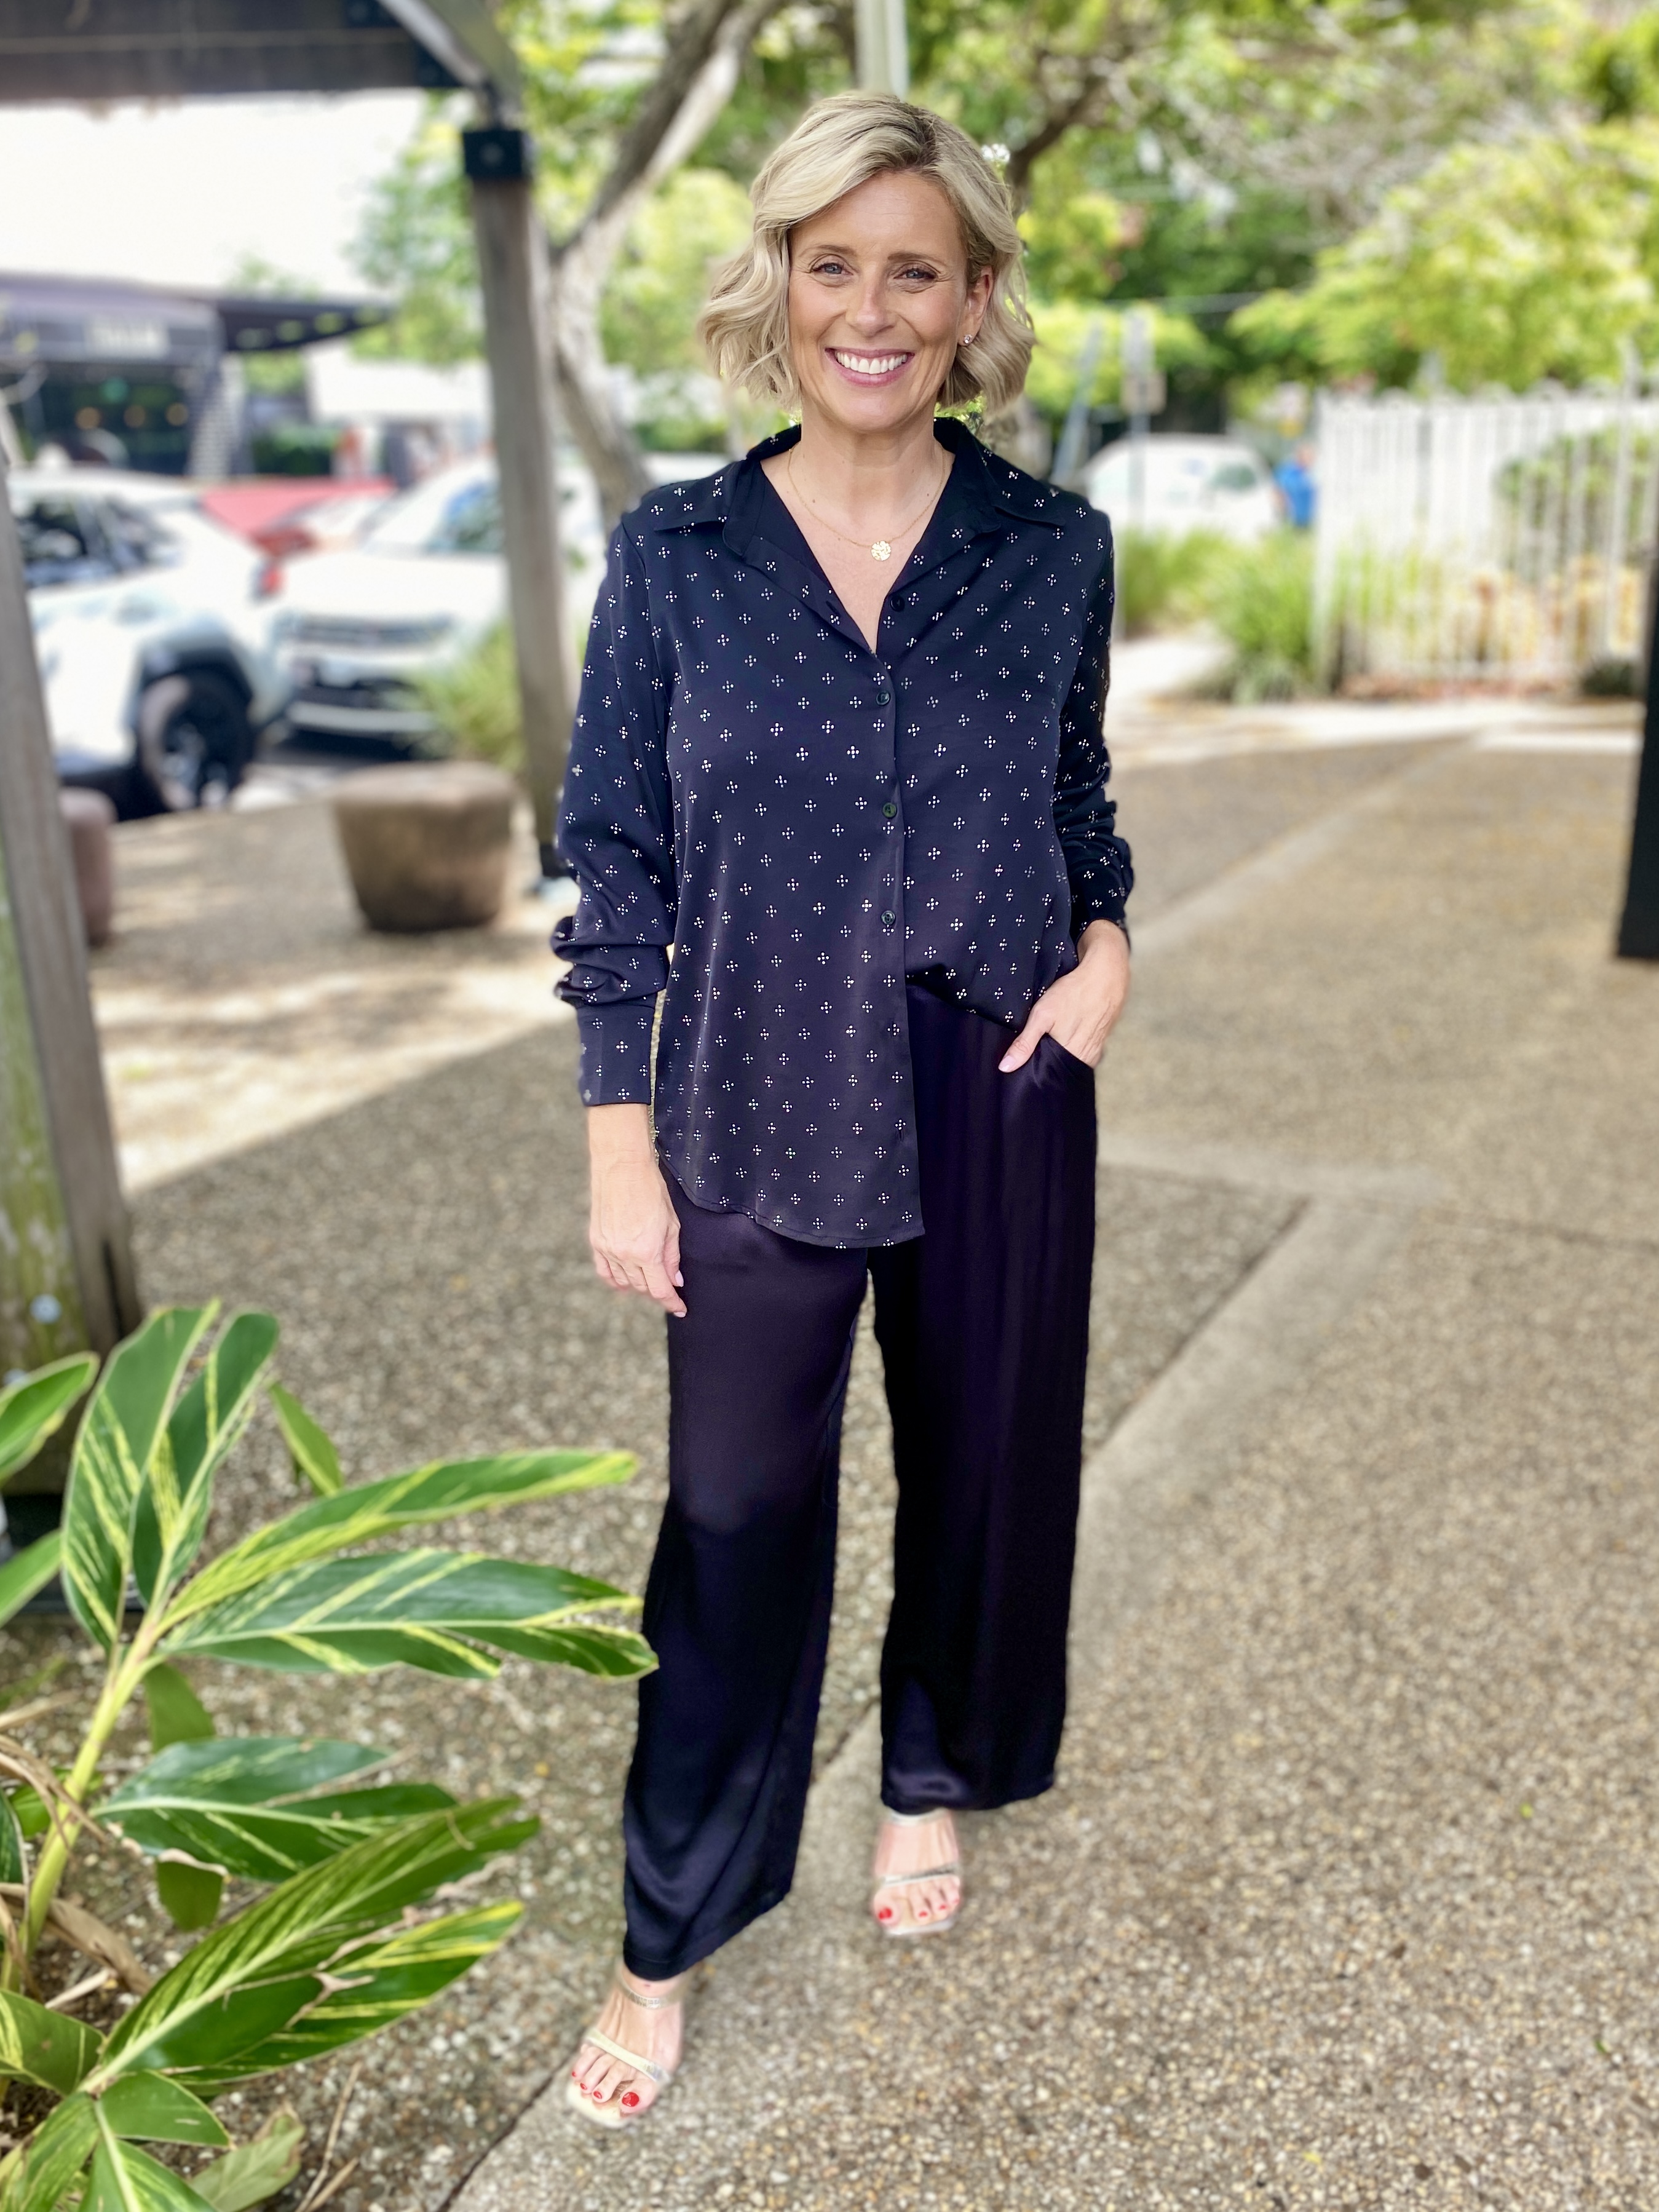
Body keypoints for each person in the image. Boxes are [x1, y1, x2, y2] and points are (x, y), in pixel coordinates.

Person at [552, 89, 1133, 2128]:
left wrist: (1106, 951)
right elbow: (614, 861)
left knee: (982, 1472)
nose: (869, 311)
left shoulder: (1053, 548)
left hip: (996, 1076)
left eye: (914, 271)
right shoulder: (679, 555)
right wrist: (617, 1141)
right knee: (729, 1521)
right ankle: (667, 1932)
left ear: (973, 301)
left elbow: (1075, 796)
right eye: (833, 267)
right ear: (779, 286)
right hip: (749, 1088)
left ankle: (927, 1771)